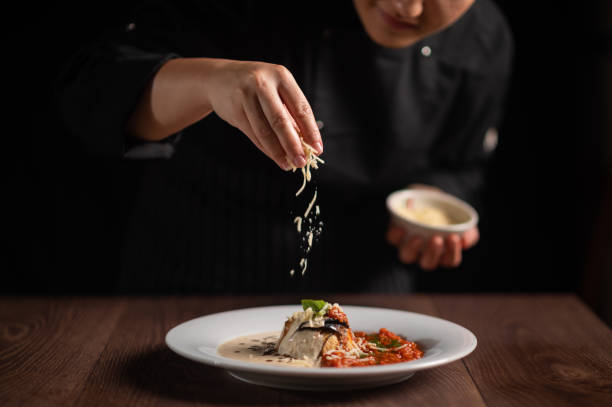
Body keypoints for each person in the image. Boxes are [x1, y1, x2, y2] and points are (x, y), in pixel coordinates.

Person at [56, 0, 513, 293]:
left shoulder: (484, 38)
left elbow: (464, 165)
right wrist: (207, 80)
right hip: (191, 286)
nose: (406, 6)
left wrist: (433, 212)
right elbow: (92, 95)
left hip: (368, 306)